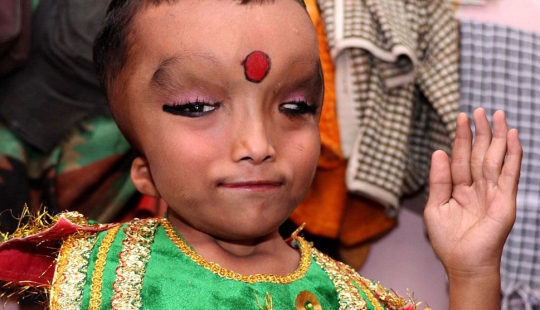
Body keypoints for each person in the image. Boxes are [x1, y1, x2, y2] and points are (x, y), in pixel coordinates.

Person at [0, 0, 523, 309]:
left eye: (294, 106)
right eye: (198, 105)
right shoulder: (67, 279)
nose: (258, 145)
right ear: (142, 171)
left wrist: (473, 274)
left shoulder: (353, 299)